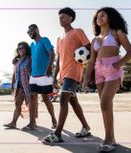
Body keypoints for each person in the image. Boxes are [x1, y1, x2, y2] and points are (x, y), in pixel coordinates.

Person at [83, 7, 131, 152]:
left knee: (104, 103)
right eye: (97, 16)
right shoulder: (95, 40)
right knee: (106, 105)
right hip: (99, 71)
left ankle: (107, 139)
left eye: (103, 15)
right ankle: (111, 138)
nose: (99, 18)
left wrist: (118, 64)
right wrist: (86, 78)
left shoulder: (117, 32)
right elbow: (92, 61)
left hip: (113, 70)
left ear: (109, 18)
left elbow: (130, 51)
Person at [43, 7, 91, 143]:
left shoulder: (78, 32)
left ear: (71, 18)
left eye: (63, 16)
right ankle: (86, 127)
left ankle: (57, 134)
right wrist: (54, 75)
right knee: (73, 102)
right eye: (59, 17)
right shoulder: (59, 38)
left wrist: (81, 55)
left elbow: (89, 47)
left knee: (63, 99)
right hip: (63, 74)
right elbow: (59, 59)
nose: (60, 19)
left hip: (74, 71)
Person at [24, 24, 57, 130]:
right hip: (33, 76)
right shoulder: (31, 45)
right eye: (28, 32)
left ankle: (53, 119)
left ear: (37, 30)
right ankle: (32, 122)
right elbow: (29, 57)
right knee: (33, 97)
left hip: (44, 75)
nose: (30, 33)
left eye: (31, 31)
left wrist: (49, 67)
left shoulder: (44, 40)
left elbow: (52, 54)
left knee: (46, 99)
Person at [4, 41, 36, 128]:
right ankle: (13, 123)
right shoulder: (17, 61)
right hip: (19, 85)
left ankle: (33, 123)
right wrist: (12, 83)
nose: (20, 50)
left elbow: (34, 70)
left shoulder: (30, 58)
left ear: (26, 49)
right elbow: (15, 72)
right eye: (19, 48)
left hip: (29, 85)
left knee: (31, 104)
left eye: (22, 48)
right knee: (17, 104)